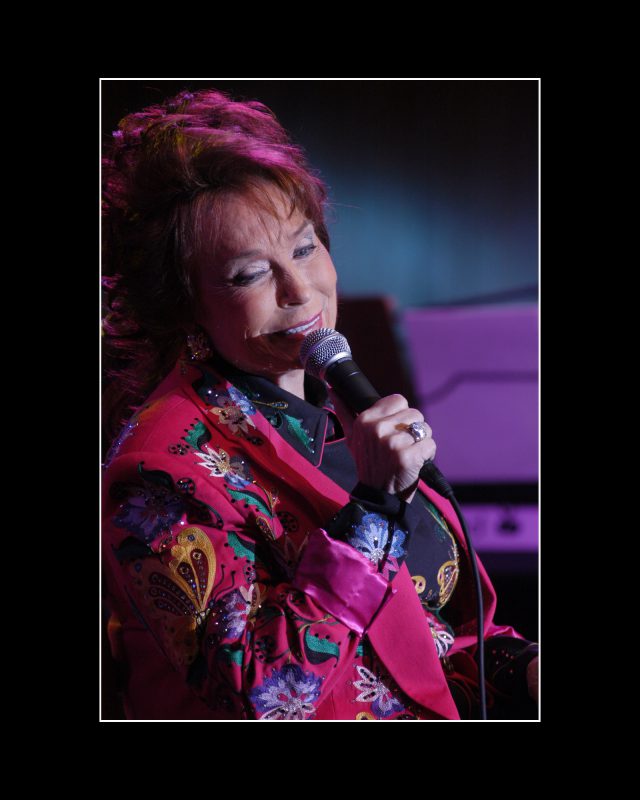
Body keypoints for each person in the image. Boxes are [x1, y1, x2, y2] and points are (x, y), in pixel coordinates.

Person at [101, 87, 539, 721]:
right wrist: (375, 506)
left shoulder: (339, 405)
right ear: (186, 306)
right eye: (251, 274)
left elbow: (436, 634)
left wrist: (522, 670)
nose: (300, 289)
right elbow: (266, 697)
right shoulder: (158, 472)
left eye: (304, 248)